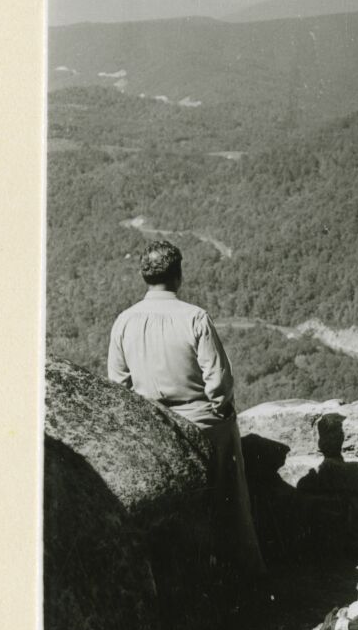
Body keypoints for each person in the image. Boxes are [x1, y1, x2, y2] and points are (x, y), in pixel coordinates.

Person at [104, 240, 266, 578]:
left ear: (145, 276)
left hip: (152, 427)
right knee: (230, 503)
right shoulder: (194, 317)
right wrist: (221, 409)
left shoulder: (124, 321)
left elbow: (117, 385)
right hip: (202, 424)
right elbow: (219, 381)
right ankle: (243, 572)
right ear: (178, 275)